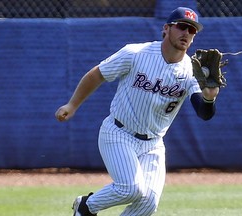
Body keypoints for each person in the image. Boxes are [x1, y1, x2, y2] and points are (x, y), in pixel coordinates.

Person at [55, 6, 219, 216]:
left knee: (148, 202)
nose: (186, 33)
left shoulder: (191, 72)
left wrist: (209, 97)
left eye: (192, 30)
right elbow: (98, 74)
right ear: (166, 28)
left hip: (153, 145)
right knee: (131, 189)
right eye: (181, 26)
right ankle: (86, 206)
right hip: (119, 133)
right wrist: (72, 104)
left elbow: (204, 112)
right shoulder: (136, 54)